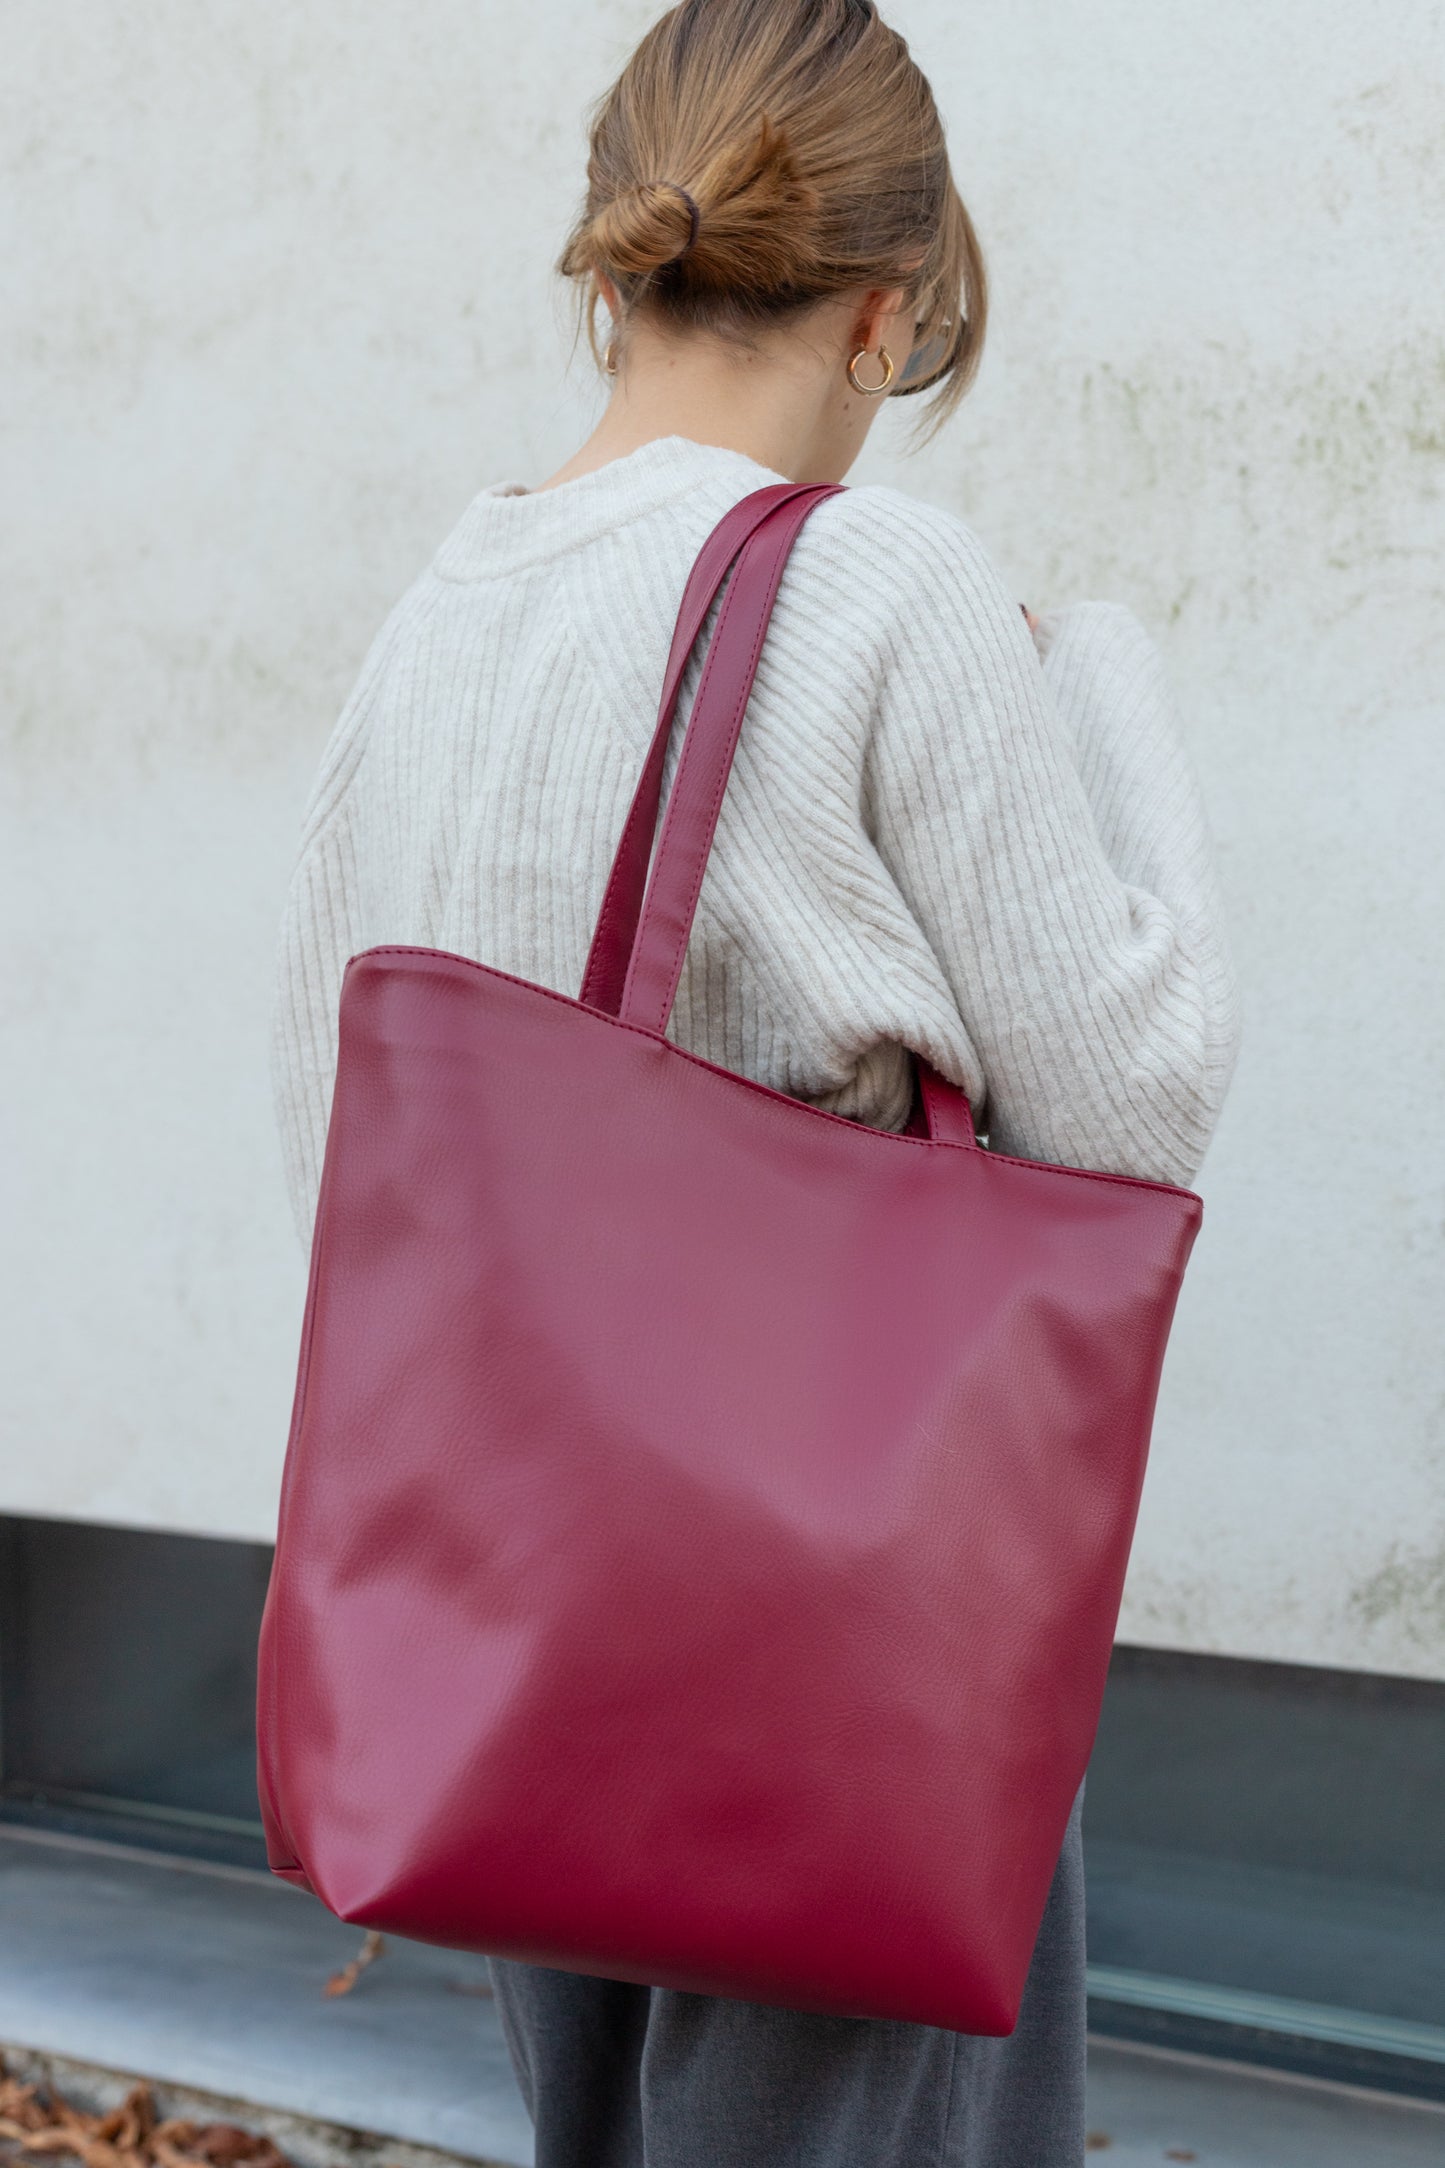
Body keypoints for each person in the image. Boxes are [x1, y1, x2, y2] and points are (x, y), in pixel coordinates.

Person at [271, 1, 1240, 2159]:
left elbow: (329, 1119)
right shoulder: (882, 582)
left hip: (527, 1590)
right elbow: (1139, 1101)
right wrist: (1102, 665)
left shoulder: (444, 599)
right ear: (887, 316)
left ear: (620, 272)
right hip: (838, 1613)